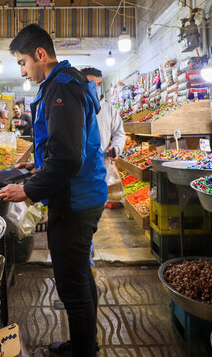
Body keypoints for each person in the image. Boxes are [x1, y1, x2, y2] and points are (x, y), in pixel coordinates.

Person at [0, 24, 107, 357]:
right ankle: (86, 343)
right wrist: (37, 167)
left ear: (40, 55)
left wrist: (28, 191)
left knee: (72, 286)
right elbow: (64, 148)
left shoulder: (61, 89)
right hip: (82, 194)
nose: (22, 70)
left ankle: (83, 352)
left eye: (22, 62)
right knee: (80, 276)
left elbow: (69, 158)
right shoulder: (64, 84)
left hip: (75, 201)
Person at [81, 67, 126, 274]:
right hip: (79, 173)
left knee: (91, 218)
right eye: (91, 84)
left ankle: (87, 262)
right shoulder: (76, 107)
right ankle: (87, 264)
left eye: (98, 84)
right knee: (83, 220)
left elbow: (119, 133)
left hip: (101, 170)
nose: (95, 88)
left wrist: (115, 147)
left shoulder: (108, 109)